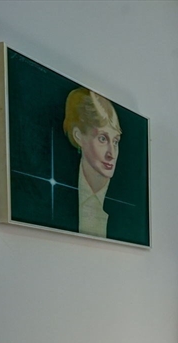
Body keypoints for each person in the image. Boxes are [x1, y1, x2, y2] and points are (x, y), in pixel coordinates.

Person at [63, 88, 121, 238]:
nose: (112, 154)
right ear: (78, 136)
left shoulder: (127, 208)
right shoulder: (58, 196)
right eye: (102, 139)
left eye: (115, 141)